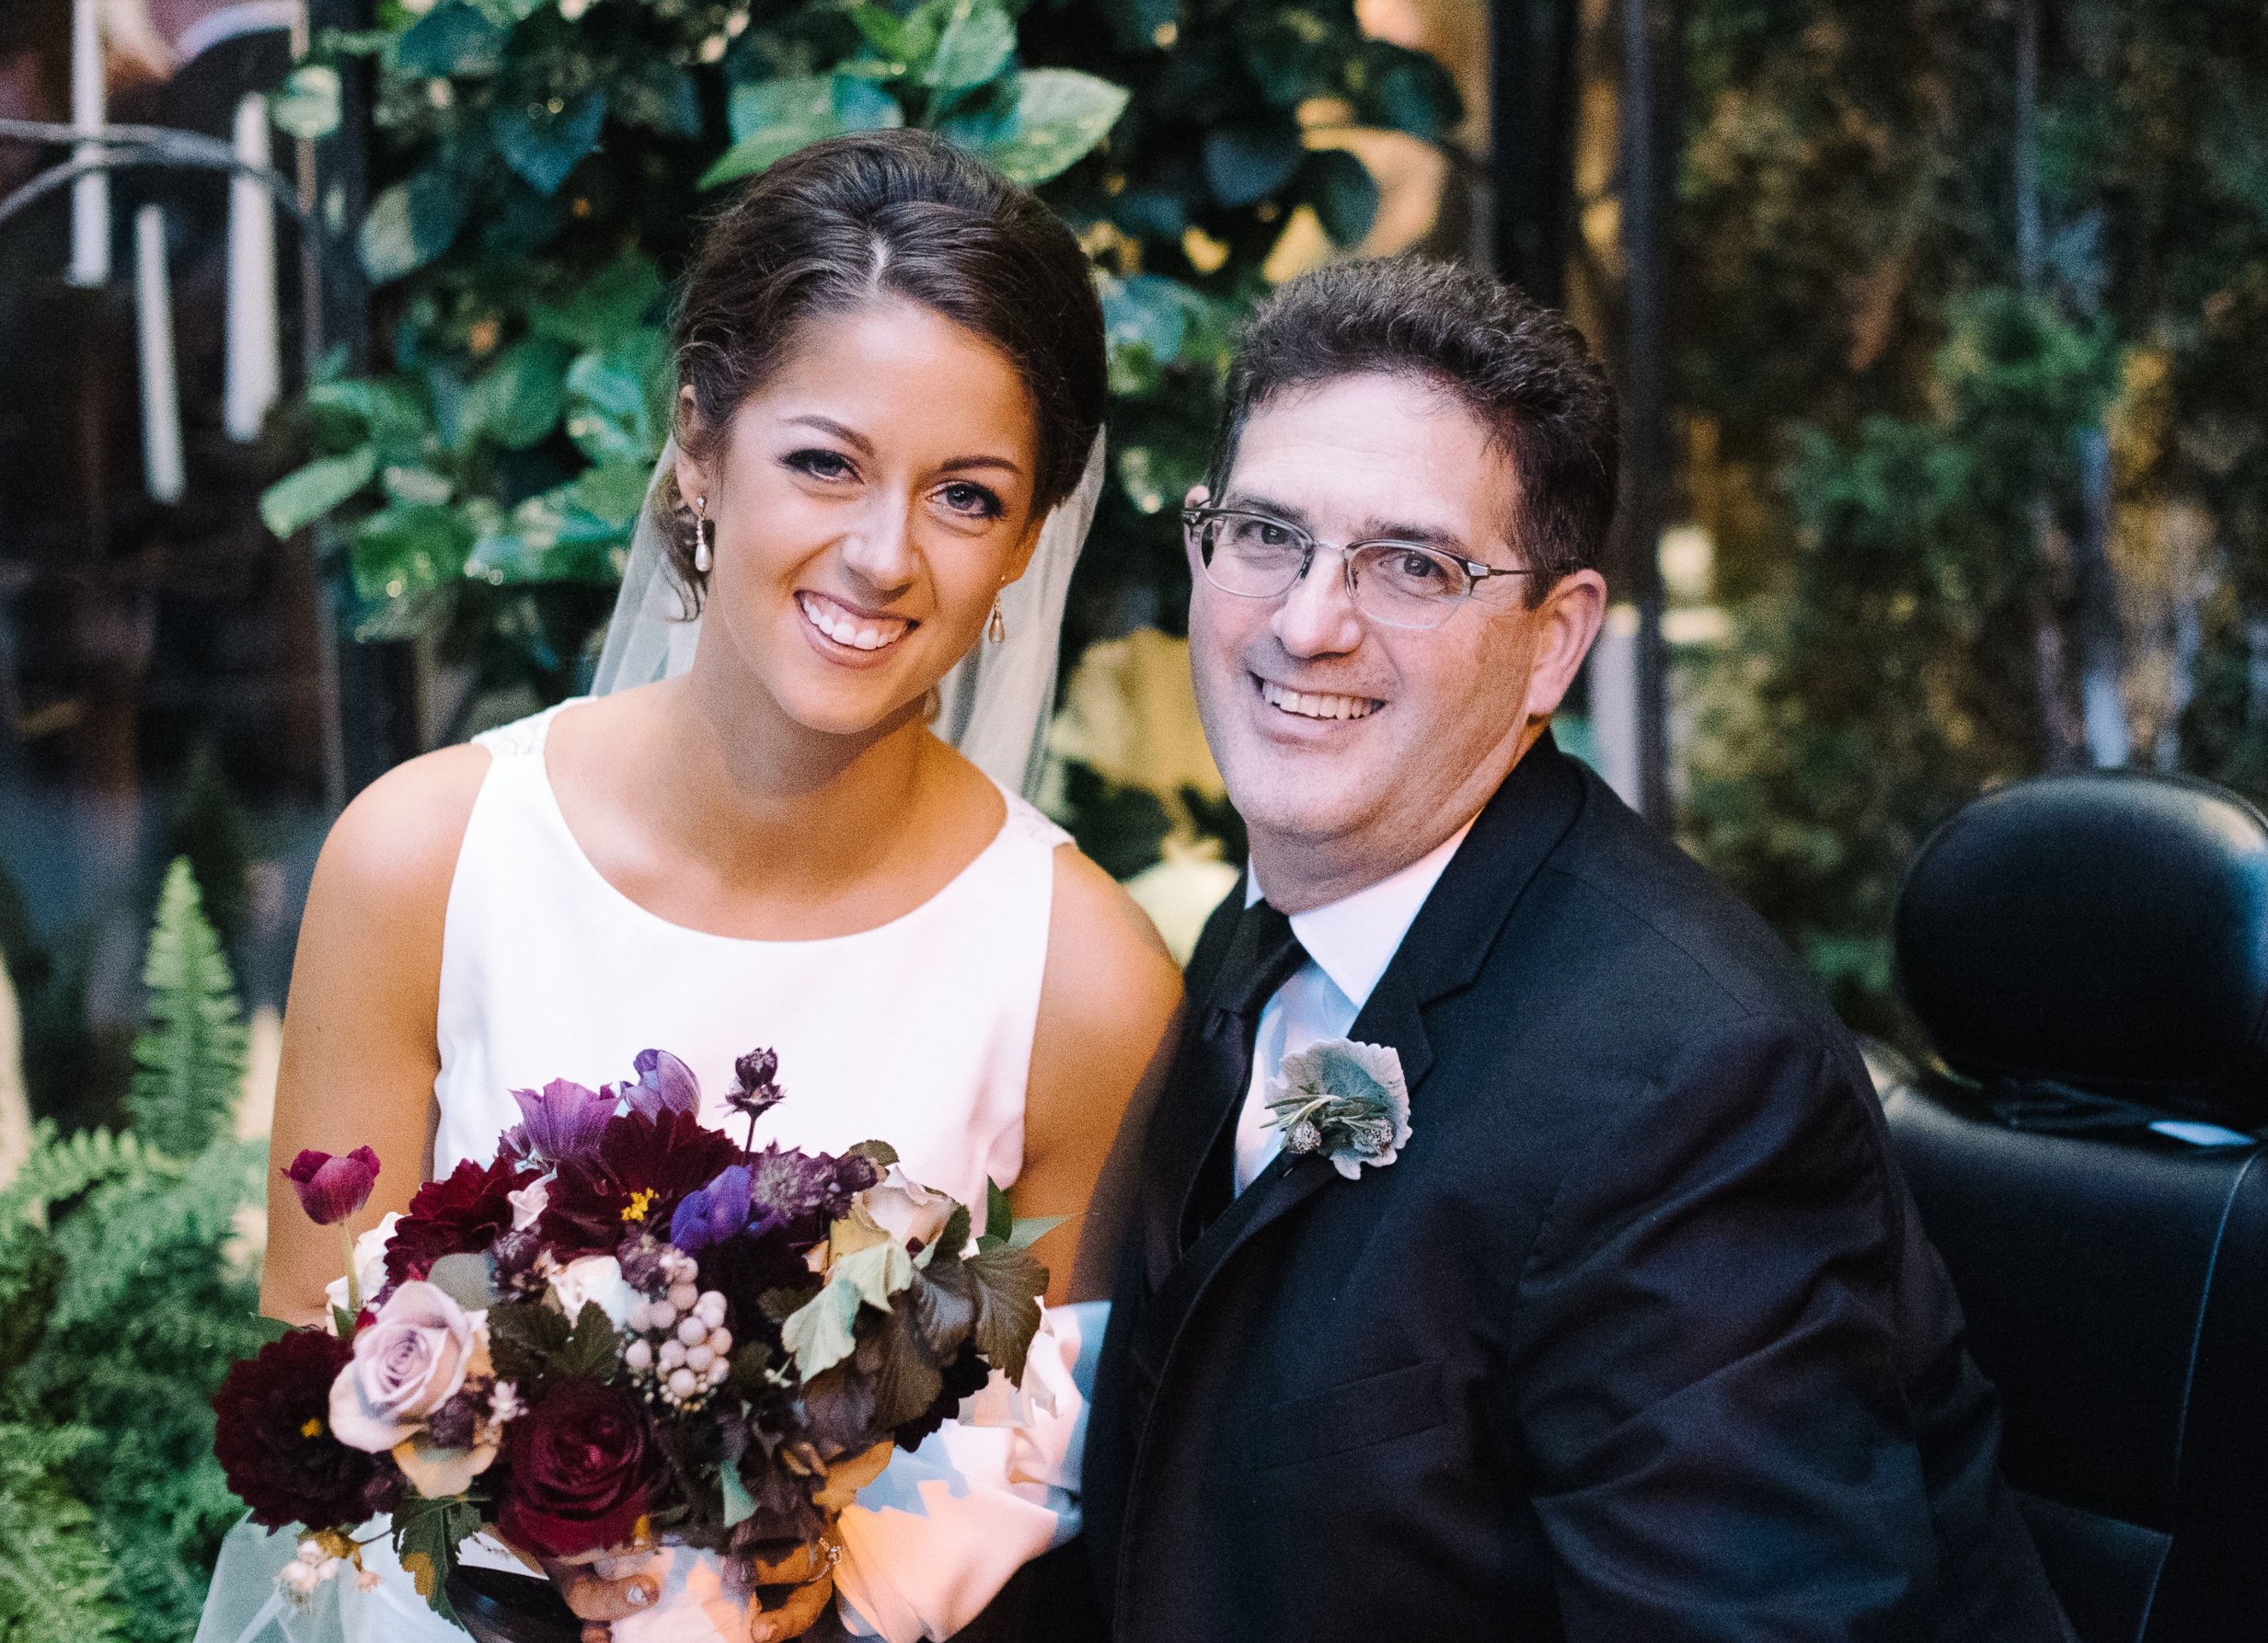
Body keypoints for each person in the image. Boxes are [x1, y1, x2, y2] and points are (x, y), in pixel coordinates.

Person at [210, 131, 1181, 1643]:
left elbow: (1046, 1459)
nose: (882, 555)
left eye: (968, 498)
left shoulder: (1089, 978)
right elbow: (312, 1409)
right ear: (697, 444)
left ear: (1027, 549)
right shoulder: (421, 862)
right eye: (824, 461)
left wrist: (841, 1551)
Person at [1076, 257, 2075, 1642]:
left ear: (1554, 643)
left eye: (1412, 564)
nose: (1307, 621)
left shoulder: (1693, 1092)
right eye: (1264, 534)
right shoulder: (1275, 931)